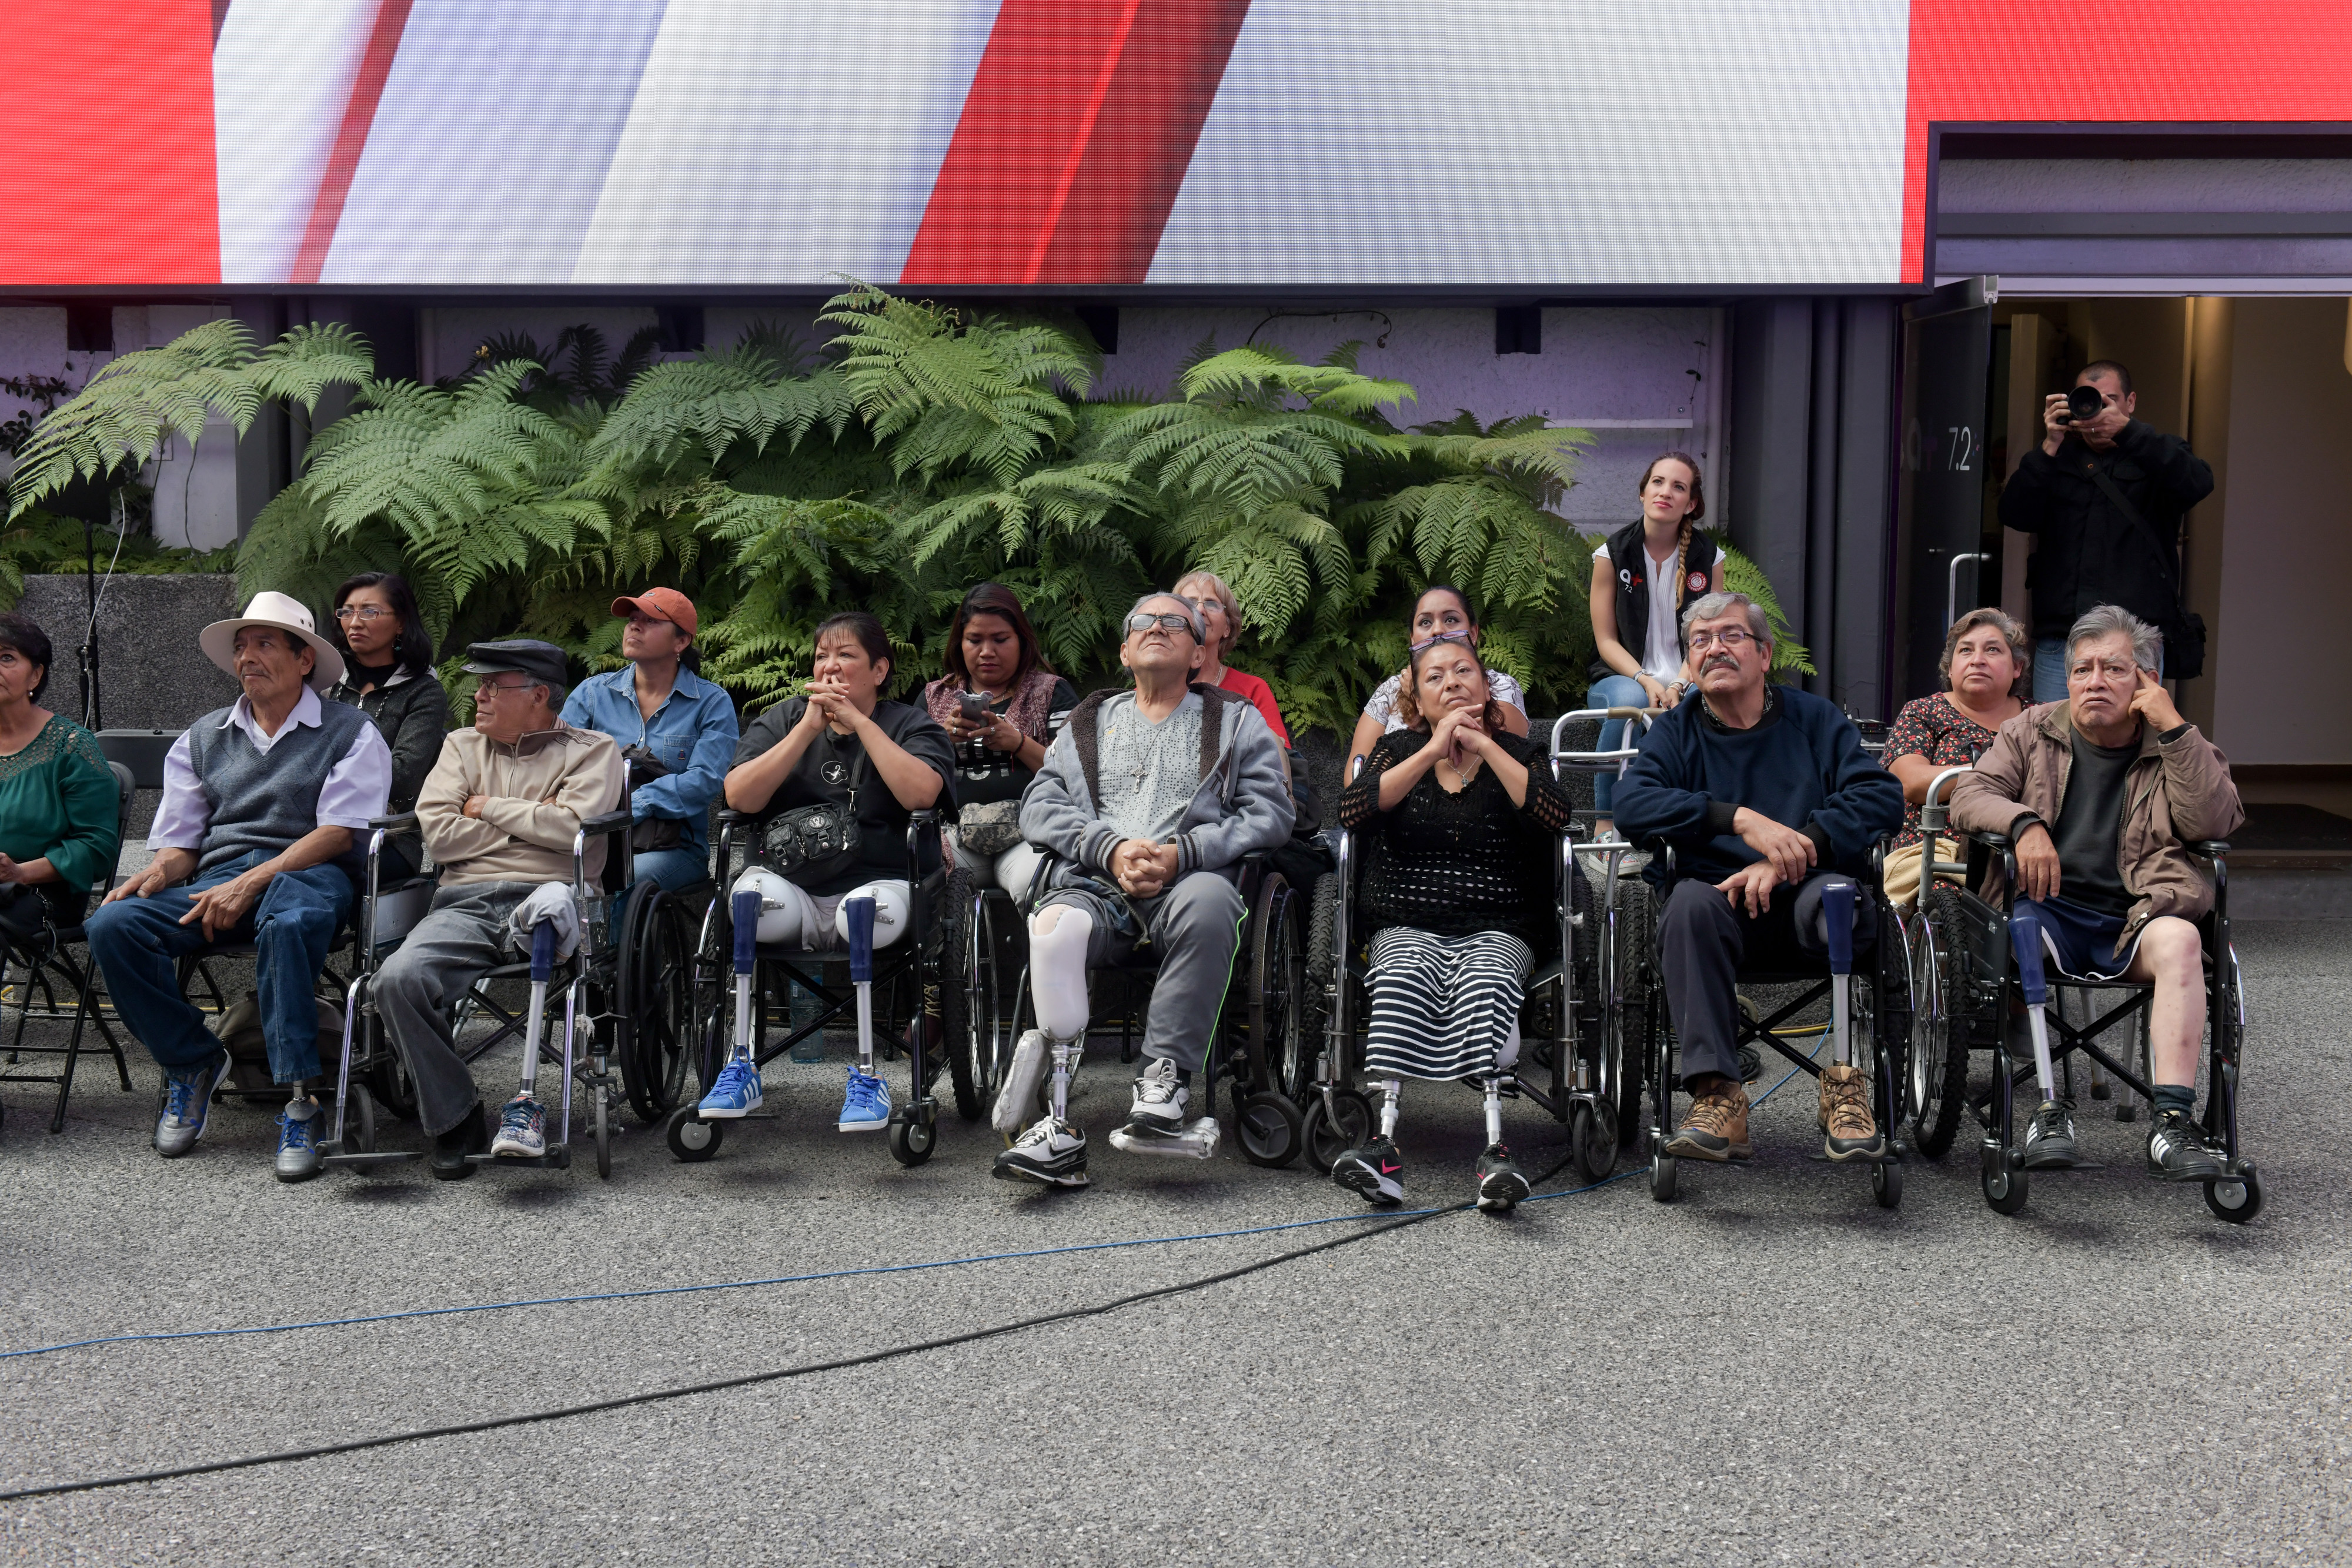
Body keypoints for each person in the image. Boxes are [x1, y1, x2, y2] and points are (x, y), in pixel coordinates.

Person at [85, 591, 391, 1182]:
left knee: (289, 921)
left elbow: (337, 834)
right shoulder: (203, 736)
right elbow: (182, 842)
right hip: (220, 878)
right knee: (112, 924)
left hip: (310, 875)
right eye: (241, 646)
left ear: (305, 659)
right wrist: (160, 871)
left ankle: (301, 1098)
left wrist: (253, 881)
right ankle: (193, 1060)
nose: (247, 656)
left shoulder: (352, 731)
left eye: (264, 644)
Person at [990, 593, 1294, 1188]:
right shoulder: (1087, 722)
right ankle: (1057, 1122)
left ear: (1199, 653)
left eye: (1174, 622)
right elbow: (1040, 806)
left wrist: (1186, 851)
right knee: (1053, 925)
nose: (1157, 627)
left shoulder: (1236, 720)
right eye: (1143, 623)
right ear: (1125, 651)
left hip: (1190, 879)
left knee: (1212, 906)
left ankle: (1164, 1080)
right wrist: (1108, 848)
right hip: (1097, 882)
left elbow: (1271, 812)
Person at [1949, 605, 2243, 1178]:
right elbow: (1970, 795)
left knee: (2184, 941)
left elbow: (2214, 822)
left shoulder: (2176, 744)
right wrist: (2023, 824)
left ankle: (2172, 1122)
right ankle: (2048, 1108)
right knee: (2020, 929)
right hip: (2045, 911)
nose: (2094, 681)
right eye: (2082, 669)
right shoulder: (2031, 730)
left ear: (2146, 681)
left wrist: (2174, 728)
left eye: (2113, 668)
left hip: (2139, 915)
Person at [1612, 591, 1904, 1166]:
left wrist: (1794, 850)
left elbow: (1880, 797)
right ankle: (1717, 1095)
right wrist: (1738, 820)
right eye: (1700, 641)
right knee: (1687, 905)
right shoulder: (1675, 732)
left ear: (1765, 654)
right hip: (1716, 909)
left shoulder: (1815, 720)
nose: (1714, 648)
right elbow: (1632, 805)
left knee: (1840, 899)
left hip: (1811, 901)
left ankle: (1846, 1089)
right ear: (1690, 662)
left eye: (1730, 635)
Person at [1327, 635, 1575, 1212]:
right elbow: (1352, 811)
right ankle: (1384, 1147)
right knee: (1401, 972)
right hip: (1403, 920)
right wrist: (1431, 751)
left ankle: (1495, 1151)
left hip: (1501, 924)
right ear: (1416, 700)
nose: (1452, 682)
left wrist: (1484, 746)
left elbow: (1554, 814)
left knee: (1487, 975)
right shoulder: (1396, 749)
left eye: (1464, 670)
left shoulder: (1520, 752)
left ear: (1486, 687)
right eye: (1435, 676)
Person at [373, 640, 625, 1176]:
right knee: (394, 980)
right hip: (462, 902)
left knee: (550, 892)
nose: (479, 695)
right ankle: (456, 1114)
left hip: (553, 901)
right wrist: (532, 823)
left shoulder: (592, 750)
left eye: (493, 685)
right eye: (480, 684)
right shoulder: (461, 745)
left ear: (539, 695)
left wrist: (485, 807)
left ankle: (510, 1110)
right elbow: (440, 836)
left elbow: (572, 829)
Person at [712, 611, 955, 1132]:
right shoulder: (784, 720)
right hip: (793, 893)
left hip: (881, 887)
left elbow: (922, 794)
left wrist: (861, 724)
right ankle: (739, 1063)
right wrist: (807, 730)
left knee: (861, 909)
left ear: (880, 670)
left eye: (846, 655)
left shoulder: (911, 725)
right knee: (746, 897)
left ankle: (868, 1074)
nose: (830, 666)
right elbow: (738, 797)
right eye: (822, 656)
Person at [1997, 360, 2214, 702]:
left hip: (2136, 640)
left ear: (2130, 402)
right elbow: (2015, 515)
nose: (2098, 411)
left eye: (2109, 400)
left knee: (2134, 732)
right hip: (2062, 638)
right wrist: (2050, 444)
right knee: (2054, 731)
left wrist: (2130, 432)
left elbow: (2197, 483)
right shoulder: (2057, 458)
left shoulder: (2157, 452)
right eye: (2089, 401)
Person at [560, 588, 739, 896]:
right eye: (632, 619)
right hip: (594, 839)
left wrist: (634, 806)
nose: (634, 626)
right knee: (552, 875)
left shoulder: (711, 703)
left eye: (651, 621)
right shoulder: (592, 694)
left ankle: (613, 931)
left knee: (623, 879)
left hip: (675, 848)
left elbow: (705, 780)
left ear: (681, 642)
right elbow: (558, 762)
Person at [1586, 452, 1725, 828]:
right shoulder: (1612, 553)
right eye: (1658, 482)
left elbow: (1706, 639)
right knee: (1630, 702)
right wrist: (1645, 679)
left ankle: (1694, 823)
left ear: (1690, 504)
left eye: (1678, 487)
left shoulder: (1709, 557)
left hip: (1687, 675)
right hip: (1622, 676)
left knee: (1705, 701)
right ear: (1643, 492)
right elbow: (1606, 642)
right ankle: (1605, 825)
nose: (1665, 492)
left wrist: (1679, 683)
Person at [923, 582, 1077, 898]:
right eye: (974, 640)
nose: (987, 651)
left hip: (1031, 834)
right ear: (960, 643)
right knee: (926, 872)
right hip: (953, 836)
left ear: (1021, 640)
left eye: (1000, 639)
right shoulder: (934, 697)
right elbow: (909, 779)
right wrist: (942, 740)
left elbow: (1076, 775)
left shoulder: (1051, 692)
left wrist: (1018, 742)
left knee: (1032, 880)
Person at [1881, 608, 2030, 906]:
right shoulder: (1923, 712)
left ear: (2017, 667)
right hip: (1936, 854)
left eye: (1992, 650)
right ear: (1950, 669)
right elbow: (1912, 782)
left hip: (2019, 851)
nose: (1978, 660)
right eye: (1966, 650)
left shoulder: (2038, 719)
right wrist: (1996, 773)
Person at [323, 571, 447, 884]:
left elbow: (402, 776)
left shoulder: (423, 691)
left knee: (314, 868)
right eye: (347, 612)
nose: (355, 622)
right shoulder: (326, 682)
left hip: (386, 838)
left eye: (370, 612)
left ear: (401, 623)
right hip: (312, 826)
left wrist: (318, 774)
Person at [0, 614, 121, 934]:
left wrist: (19, 873)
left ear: (35, 675)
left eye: (7, 657)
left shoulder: (71, 746)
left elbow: (96, 848)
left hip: (40, 893)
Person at [1344, 585, 1531, 780]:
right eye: (1425, 622)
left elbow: (1511, 749)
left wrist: (1420, 695)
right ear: (1413, 639)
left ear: (1473, 633)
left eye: (1451, 619)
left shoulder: (1497, 684)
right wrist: (1419, 696)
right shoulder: (1390, 691)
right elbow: (1355, 778)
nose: (1438, 630)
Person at [1173, 568, 1288, 745]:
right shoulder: (1153, 689)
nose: (1201, 610)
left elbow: (1279, 756)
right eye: (1189, 603)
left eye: (1212, 604)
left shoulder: (1253, 690)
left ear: (1227, 628)